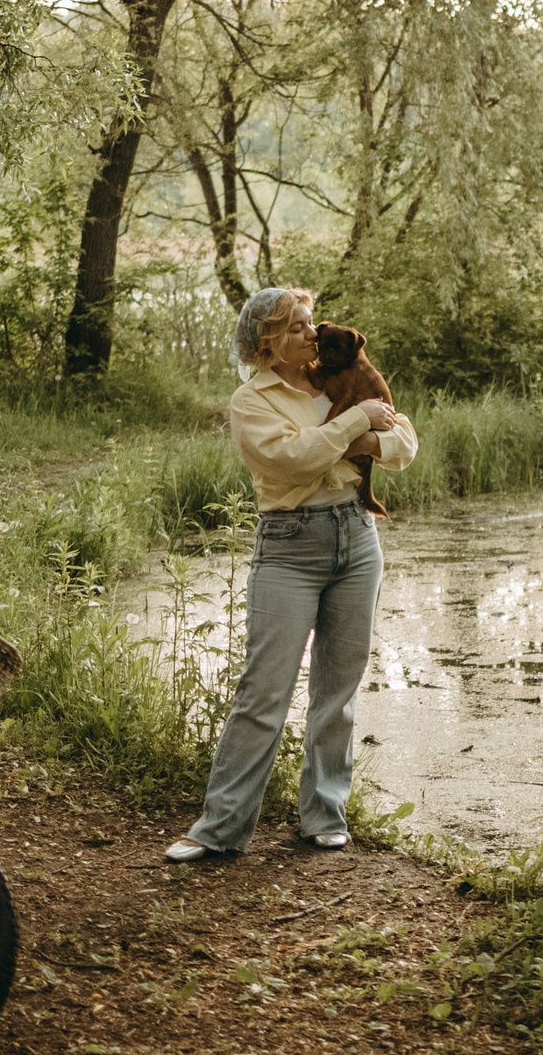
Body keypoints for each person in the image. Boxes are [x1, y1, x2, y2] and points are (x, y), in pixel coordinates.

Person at [166, 286, 418, 861]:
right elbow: (293, 458)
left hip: (357, 538)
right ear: (267, 342)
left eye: (309, 324)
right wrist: (356, 425)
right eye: (298, 326)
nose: (312, 332)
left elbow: (405, 444)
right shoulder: (251, 402)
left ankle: (324, 814)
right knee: (264, 691)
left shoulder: (339, 374)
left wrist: (358, 436)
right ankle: (219, 829)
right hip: (289, 547)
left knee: (338, 689)